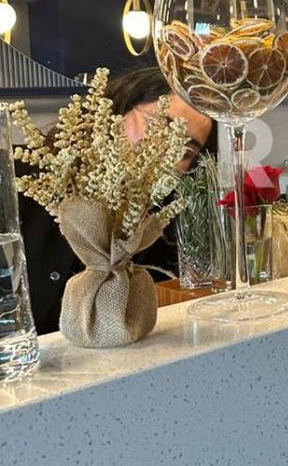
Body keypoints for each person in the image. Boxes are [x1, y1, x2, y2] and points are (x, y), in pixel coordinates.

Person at [17, 68, 213, 335]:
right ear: (117, 109)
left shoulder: (162, 228)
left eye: (186, 150)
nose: (166, 150)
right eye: (159, 127)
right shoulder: (20, 181)